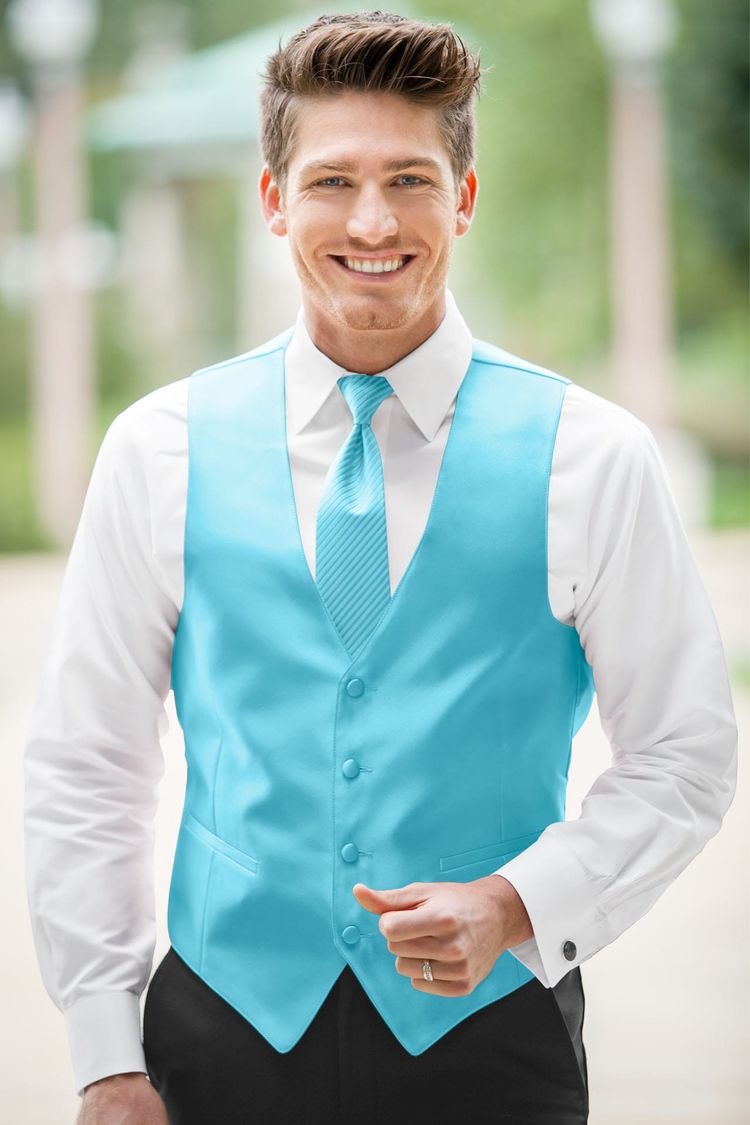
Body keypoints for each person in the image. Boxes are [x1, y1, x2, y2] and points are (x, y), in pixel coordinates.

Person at [23, 10, 738, 1125]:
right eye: (330, 181)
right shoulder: (158, 448)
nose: (371, 221)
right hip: (216, 1037)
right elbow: (88, 765)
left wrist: (516, 904)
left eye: (409, 179)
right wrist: (106, 1054)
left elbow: (686, 753)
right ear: (274, 200)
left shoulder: (591, 458)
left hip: (494, 1041)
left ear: (464, 196)